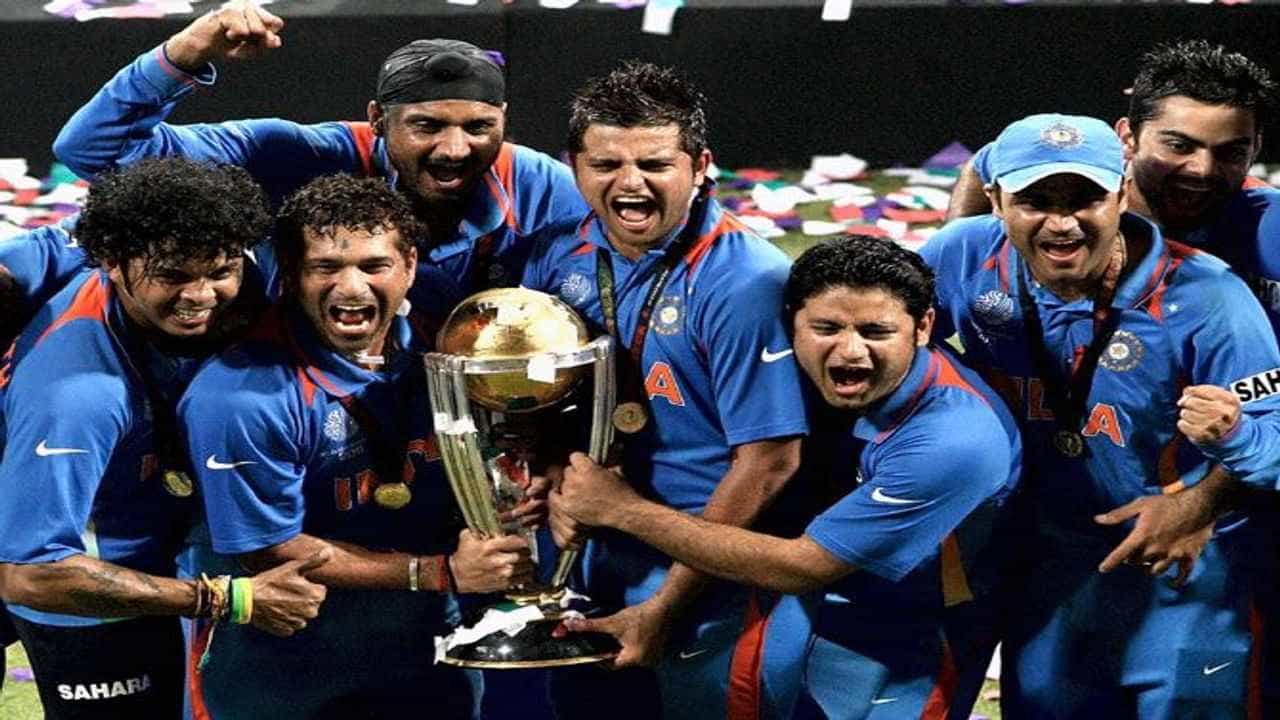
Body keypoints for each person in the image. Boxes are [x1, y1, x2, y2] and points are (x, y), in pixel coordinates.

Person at [550, 236, 1022, 720]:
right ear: (792, 321)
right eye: (827, 328)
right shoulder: (788, 371)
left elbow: (803, 566)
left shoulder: (955, 439)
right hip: (815, 605)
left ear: (922, 327)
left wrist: (622, 510)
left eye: (876, 331)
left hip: (917, 637)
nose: (851, 351)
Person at [921, 113, 1280, 717]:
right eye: (1035, 201)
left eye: (1084, 199)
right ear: (997, 201)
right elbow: (890, 351)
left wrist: (1231, 445)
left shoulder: (1208, 297)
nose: (1063, 223)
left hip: (1180, 575)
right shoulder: (962, 255)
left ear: (1120, 194)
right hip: (1047, 576)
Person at [177, 173, 539, 718]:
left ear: (410, 265)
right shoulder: (239, 397)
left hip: (424, 654)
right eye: (325, 267)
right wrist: (440, 572)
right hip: (278, 670)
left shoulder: (450, 338)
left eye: (374, 266)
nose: (351, 288)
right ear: (291, 274)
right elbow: (268, 548)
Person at [518, 61, 808, 718]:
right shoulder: (554, 255)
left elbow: (769, 462)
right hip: (591, 562)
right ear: (574, 166)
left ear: (700, 165)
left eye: (654, 164)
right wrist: (554, 475)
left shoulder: (744, 281)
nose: (630, 183)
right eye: (606, 164)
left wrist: (665, 605)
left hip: (710, 584)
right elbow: (540, 395)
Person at [0, 158, 328, 719]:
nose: (201, 295)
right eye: (173, 276)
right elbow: (32, 575)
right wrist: (226, 598)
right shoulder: (79, 397)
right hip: (85, 591)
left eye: (220, 270)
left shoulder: (215, 264)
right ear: (112, 262)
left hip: (149, 547)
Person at [51, 0, 587, 302]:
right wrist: (184, 53)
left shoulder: (538, 185)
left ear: (503, 120)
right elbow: (94, 151)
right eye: (426, 126)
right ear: (377, 119)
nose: (454, 148)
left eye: (479, 127)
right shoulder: (299, 156)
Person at [947, 40, 1280, 333]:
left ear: (1256, 148)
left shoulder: (1270, 225)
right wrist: (963, 252)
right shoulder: (1075, 175)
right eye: (1179, 146)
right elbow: (985, 163)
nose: (1203, 170)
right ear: (1127, 138)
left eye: (1231, 152)